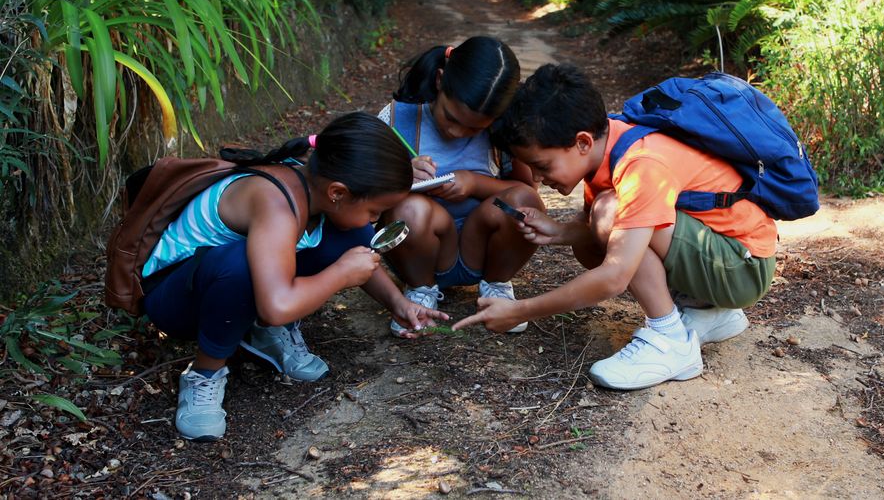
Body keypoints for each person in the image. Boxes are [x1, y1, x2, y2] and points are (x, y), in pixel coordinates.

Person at [454, 64, 778, 390]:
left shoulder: (640, 164)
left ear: (582, 142)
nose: (538, 179)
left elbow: (613, 276)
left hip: (742, 267)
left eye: (542, 166)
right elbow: (602, 241)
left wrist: (519, 311)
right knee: (605, 218)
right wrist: (561, 232)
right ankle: (708, 311)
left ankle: (671, 340)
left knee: (610, 210)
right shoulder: (608, 145)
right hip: (723, 254)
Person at [137, 112, 448, 441]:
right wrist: (341, 274)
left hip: (229, 284)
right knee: (238, 264)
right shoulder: (275, 202)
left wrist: (399, 303)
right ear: (338, 192)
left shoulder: (316, 186)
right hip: (175, 301)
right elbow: (276, 305)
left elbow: (359, 249)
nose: (372, 221)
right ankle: (204, 373)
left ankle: (260, 333)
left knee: (347, 231)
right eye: (374, 211)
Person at [376, 36, 543, 336]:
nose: (456, 131)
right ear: (440, 81)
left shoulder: (501, 133)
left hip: (480, 249)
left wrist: (474, 183)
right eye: (450, 117)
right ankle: (420, 292)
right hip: (420, 251)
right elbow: (363, 191)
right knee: (410, 208)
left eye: (473, 128)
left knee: (523, 201)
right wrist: (400, 176)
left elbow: (526, 191)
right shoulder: (397, 118)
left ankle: (497, 288)